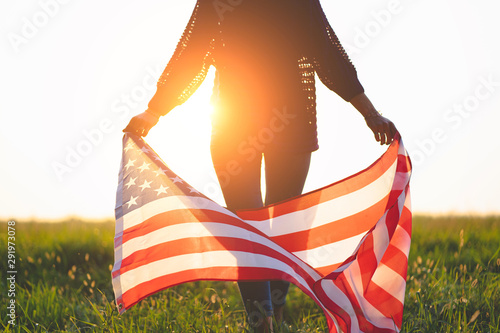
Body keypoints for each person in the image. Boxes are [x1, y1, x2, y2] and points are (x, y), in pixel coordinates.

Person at [124, 0, 397, 331]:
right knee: (254, 227)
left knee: (272, 227)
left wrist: (370, 113)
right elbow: (193, 52)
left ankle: (270, 319)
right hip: (239, 121)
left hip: (279, 122)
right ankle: (264, 323)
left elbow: (327, 55)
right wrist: (153, 111)